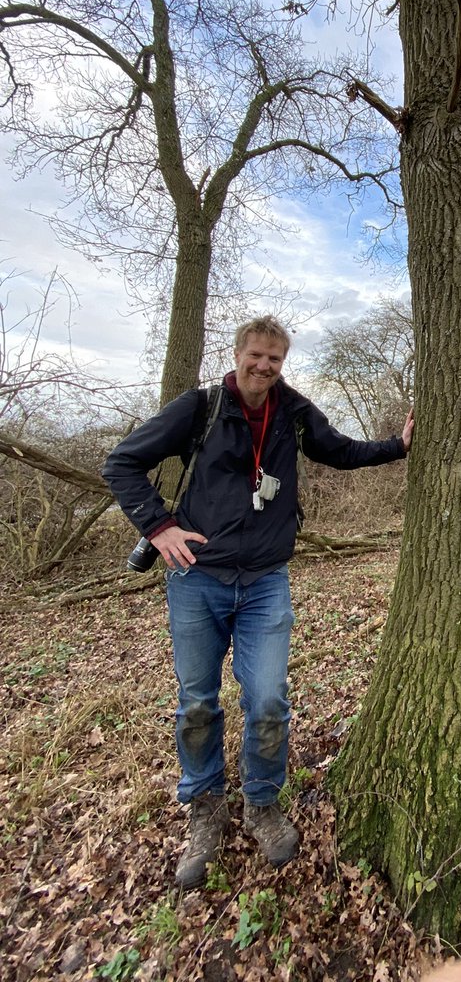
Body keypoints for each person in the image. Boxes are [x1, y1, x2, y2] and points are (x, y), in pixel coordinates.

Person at [102, 315, 414, 888]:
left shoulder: (292, 412)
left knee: (268, 699)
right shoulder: (198, 409)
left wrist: (398, 445)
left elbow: (340, 452)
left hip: (266, 581)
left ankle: (262, 803)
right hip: (197, 579)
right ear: (239, 353)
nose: (264, 367)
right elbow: (121, 463)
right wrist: (160, 526)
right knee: (197, 702)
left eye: (275, 359)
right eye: (256, 356)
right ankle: (205, 808)